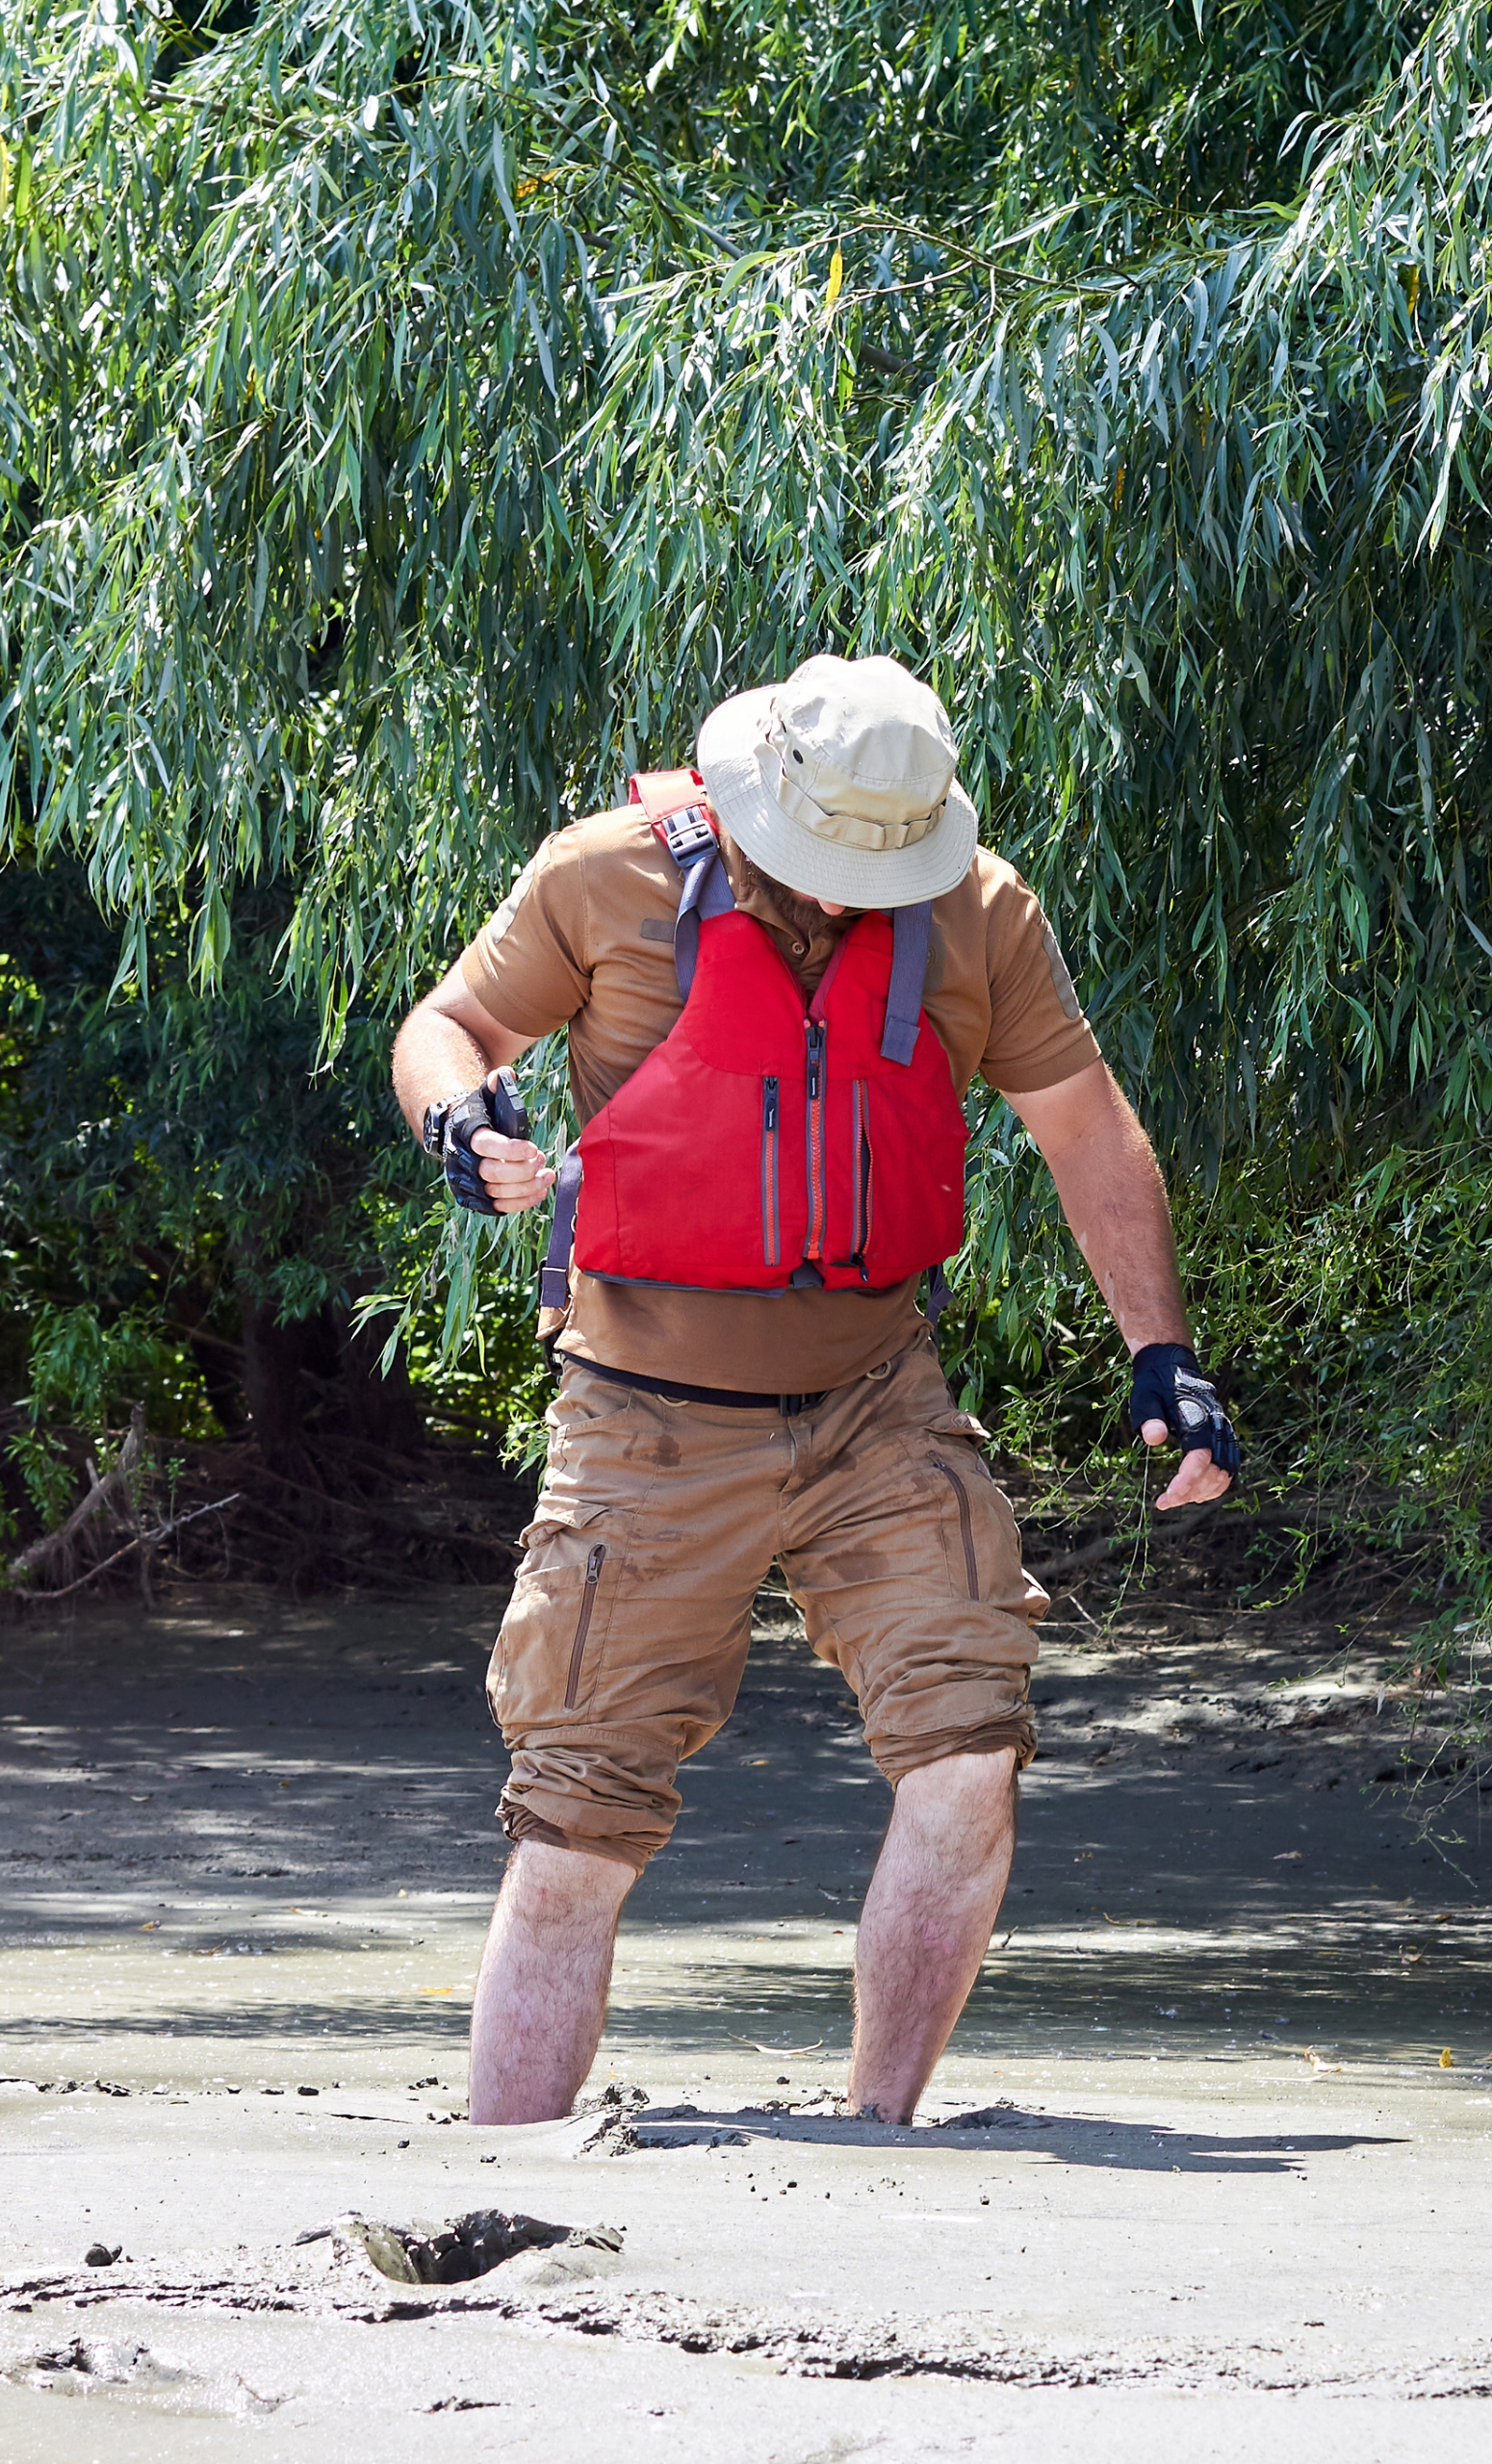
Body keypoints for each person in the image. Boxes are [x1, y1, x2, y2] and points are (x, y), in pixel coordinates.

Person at [392, 654, 1239, 2127]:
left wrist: (1160, 1353)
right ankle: (498, 2172)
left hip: (874, 1395)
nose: (847, 893)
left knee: (969, 1752)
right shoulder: (601, 880)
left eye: (875, 866)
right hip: (642, 1413)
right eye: (821, 861)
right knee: (580, 1822)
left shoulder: (979, 912)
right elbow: (446, 1024)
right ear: (752, 802)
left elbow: (1087, 1132)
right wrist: (459, 1120)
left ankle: (875, 2135)